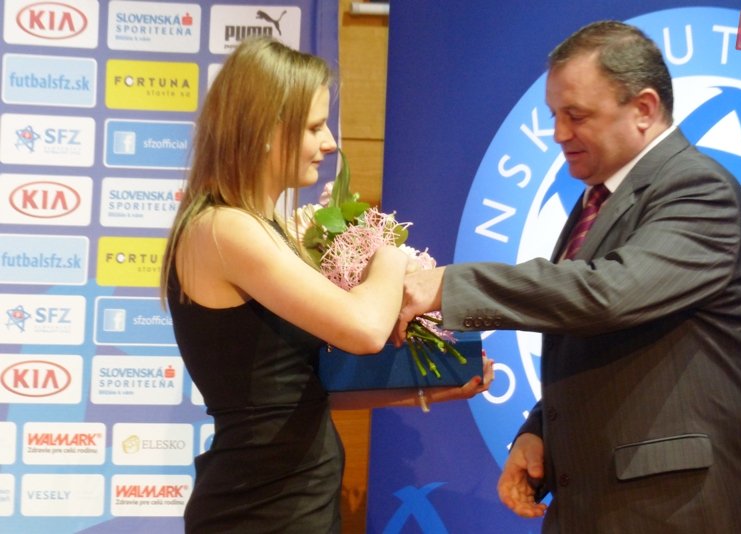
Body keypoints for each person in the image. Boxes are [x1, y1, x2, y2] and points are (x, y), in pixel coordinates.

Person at [395, 20, 741, 533]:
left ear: (643, 109)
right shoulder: (601, 199)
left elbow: (606, 296)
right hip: (601, 505)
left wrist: (449, 287)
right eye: (555, 116)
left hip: (682, 511)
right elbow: (610, 341)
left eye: (576, 115)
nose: (559, 134)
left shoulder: (698, 190)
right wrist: (540, 432)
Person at [160, 37, 492, 534]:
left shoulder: (257, 226)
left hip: (289, 502)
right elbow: (364, 329)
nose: (331, 143)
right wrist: (389, 253)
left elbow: (299, 394)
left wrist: (426, 390)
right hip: (261, 510)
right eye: (315, 126)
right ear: (265, 129)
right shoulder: (225, 229)